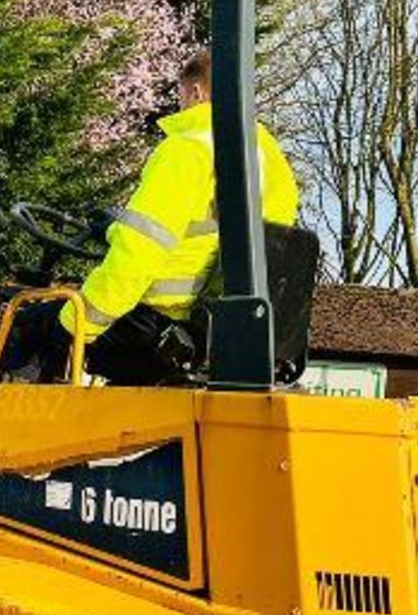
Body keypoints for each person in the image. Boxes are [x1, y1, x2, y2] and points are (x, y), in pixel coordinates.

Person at [59, 49, 298, 382]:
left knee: (18, 323)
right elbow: (202, 234)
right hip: (219, 332)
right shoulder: (273, 164)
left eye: (181, 95)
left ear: (196, 92)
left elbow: (139, 252)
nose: (180, 104)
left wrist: (75, 324)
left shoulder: (189, 149)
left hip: (160, 323)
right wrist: (114, 229)